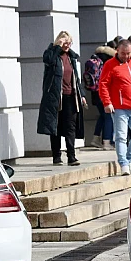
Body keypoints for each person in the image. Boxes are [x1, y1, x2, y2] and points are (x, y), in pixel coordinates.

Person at [99, 39, 131, 175]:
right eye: (123, 53)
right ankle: (123, 163)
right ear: (117, 51)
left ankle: (129, 158)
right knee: (121, 137)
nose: (126, 56)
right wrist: (107, 102)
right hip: (119, 107)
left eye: (128, 53)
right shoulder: (110, 65)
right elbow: (103, 84)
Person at [37, 31, 87, 166]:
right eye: (64, 42)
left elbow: (76, 78)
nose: (67, 45)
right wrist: (56, 47)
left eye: (69, 42)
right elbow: (48, 60)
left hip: (71, 96)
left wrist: (81, 95)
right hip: (55, 97)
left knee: (70, 126)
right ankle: (56, 156)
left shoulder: (71, 57)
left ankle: (71, 156)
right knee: (56, 127)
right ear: (59, 42)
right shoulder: (52, 54)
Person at [86, 42, 117, 149]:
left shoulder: (95, 58)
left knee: (103, 116)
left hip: (94, 93)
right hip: (104, 93)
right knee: (108, 116)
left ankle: (96, 138)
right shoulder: (109, 59)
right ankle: (107, 142)